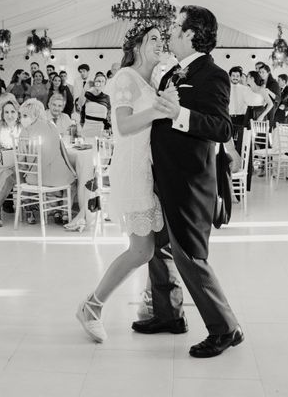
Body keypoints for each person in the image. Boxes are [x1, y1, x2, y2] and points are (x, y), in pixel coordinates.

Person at [136, 5, 243, 358]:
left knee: (190, 257)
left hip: (189, 181)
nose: (170, 33)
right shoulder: (173, 72)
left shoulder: (213, 75)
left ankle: (225, 328)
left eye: (176, 27)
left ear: (192, 34)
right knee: (156, 246)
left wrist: (179, 114)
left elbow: (222, 127)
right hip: (163, 175)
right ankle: (168, 315)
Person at [76, 21, 173, 344]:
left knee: (153, 246)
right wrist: (159, 109)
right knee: (141, 250)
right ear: (137, 46)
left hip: (149, 167)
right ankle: (92, 305)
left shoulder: (153, 79)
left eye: (163, 39)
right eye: (154, 39)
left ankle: (153, 301)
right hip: (132, 168)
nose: (161, 43)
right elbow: (123, 125)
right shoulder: (125, 78)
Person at [16, 98, 76, 223]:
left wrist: (25, 169)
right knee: (72, 180)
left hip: (34, 178)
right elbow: (61, 150)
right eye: (21, 115)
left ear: (35, 115)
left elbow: (22, 161)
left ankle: (45, 209)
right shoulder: (52, 126)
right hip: (55, 177)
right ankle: (63, 212)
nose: (22, 119)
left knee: (21, 176)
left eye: (25, 115)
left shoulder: (24, 132)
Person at [79, 72, 111, 138]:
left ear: (105, 84)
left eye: (102, 81)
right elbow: (80, 104)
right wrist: (85, 88)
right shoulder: (88, 94)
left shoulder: (107, 97)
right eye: (98, 81)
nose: (100, 83)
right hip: (87, 128)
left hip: (101, 130)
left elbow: (110, 114)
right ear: (94, 82)